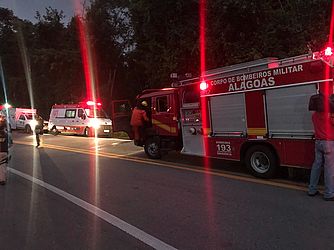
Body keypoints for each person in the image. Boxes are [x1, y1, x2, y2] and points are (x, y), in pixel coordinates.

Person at [308, 108, 334, 201]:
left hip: (318, 142)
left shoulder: (314, 115)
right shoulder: (329, 115)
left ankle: (312, 189)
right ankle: (329, 193)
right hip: (328, 143)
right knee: (329, 168)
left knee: (316, 165)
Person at [0, 114, 9, 185]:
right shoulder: (7, 134)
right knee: (3, 166)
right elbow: (11, 143)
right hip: (4, 152)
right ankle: (2, 179)